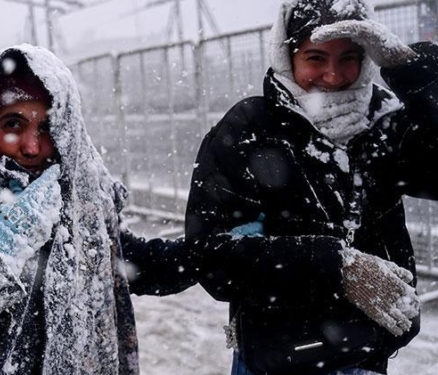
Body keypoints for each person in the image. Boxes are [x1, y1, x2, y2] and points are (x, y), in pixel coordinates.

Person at [0, 44, 199, 375]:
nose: (32, 147)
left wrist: (204, 255)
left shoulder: (73, 201)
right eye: (13, 124)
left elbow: (120, 261)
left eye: (47, 128)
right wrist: (2, 252)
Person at [184, 0, 438, 374]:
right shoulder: (249, 128)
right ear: (288, 55)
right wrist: (335, 266)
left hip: (367, 355)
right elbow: (213, 255)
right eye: (316, 58)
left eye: (349, 57)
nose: (333, 76)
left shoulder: (382, 120)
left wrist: (417, 74)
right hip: (278, 360)